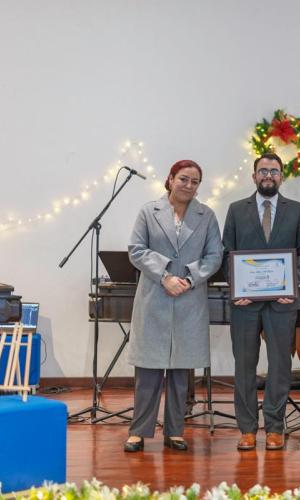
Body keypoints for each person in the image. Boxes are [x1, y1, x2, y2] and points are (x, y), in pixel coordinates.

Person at [124, 159, 223, 452]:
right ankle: (138, 432)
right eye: (183, 179)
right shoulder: (148, 211)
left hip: (189, 299)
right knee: (148, 370)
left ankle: (175, 431)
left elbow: (215, 256)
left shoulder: (207, 215)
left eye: (195, 181)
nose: (188, 185)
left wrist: (190, 279)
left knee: (181, 371)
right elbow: (136, 250)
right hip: (154, 296)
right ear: (170, 179)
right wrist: (165, 276)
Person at [222, 152, 300, 451]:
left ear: (281, 177)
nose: (268, 175)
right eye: (263, 171)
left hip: (283, 302)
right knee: (244, 366)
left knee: (280, 366)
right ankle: (247, 429)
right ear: (254, 176)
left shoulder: (297, 210)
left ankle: (275, 427)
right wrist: (237, 287)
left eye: (274, 171)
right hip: (245, 304)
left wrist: (292, 283)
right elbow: (226, 253)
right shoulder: (236, 210)